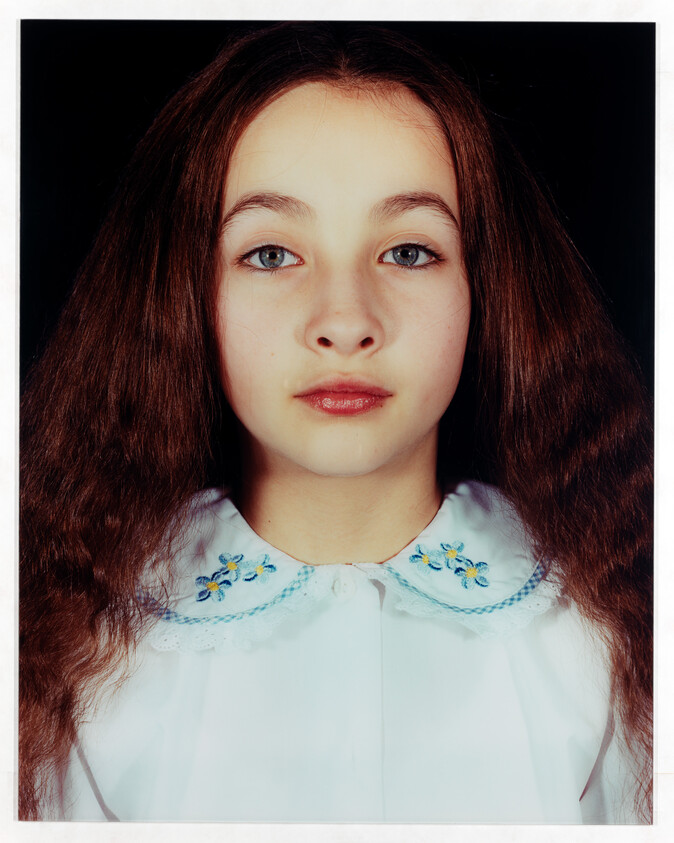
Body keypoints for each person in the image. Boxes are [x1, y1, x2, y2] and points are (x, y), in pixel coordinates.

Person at [19, 21, 653, 823]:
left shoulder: (609, 634)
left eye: (410, 252)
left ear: (483, 286)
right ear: (185, 294)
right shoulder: (71, 649)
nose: (346, 320)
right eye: (272, 254)